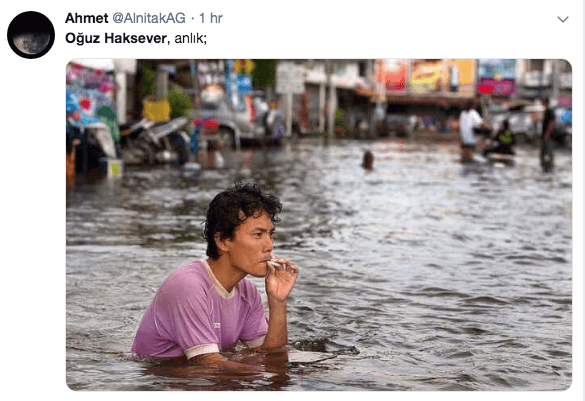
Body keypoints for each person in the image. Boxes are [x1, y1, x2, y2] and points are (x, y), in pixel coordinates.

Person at [131, 183, 299, 372]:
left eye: (270, 234)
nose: (269, 245)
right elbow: (208, 366)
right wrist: (274, 373)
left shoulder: (247, 292)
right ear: (223, 241)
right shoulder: (188, 285)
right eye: (258, 234)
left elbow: (270, 355)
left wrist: (278, 302)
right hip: (163, 379)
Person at [458, 98, 486, 163]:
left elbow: (461, 127)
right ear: (473, 105)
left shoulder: (462, 113)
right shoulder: (473, 113)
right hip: (470, 140)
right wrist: (491, 127)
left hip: (464, 140)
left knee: (464, 158)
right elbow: (481, 124)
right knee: (469, 159)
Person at [540, 98, 555, 172]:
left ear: (545, 102)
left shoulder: (550, 111)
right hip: (545, 135)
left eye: (542, 102)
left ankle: (549, 165)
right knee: (544, 151)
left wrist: (547, 134)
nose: (541, 104)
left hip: (548, 136)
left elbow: (552, 123)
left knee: (548, 150)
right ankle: (545, 165)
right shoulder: (546, 111)